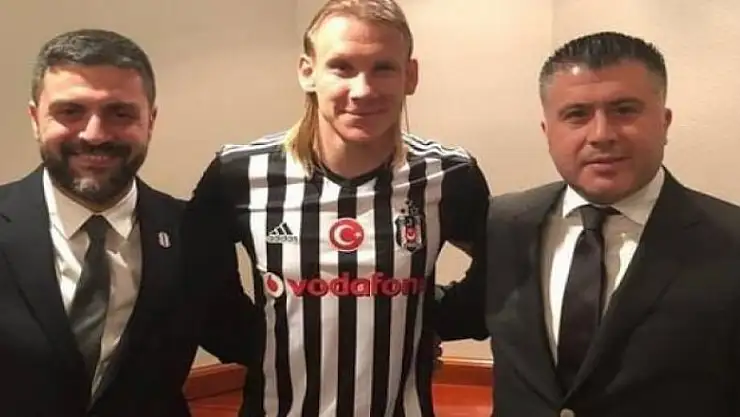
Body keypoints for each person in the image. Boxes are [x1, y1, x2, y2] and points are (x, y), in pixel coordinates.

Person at [180, 0, 489, 416]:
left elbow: (499, 276)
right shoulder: (239, 173)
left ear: (410, 76)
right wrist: (263, 342)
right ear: (307, 72)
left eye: (383, 68)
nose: (363, 90)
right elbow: (200, 289)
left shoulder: (449, 175)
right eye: (341, 67)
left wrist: (424, 318)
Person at [436, 31, 740, 416]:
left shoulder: (729, 242)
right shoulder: (507, 222)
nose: (601, 135)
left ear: (664, 122)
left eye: (624, 110)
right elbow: (461, 311)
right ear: (547, 132)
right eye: (577, 115)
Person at [0, 28, 256, 417]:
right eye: (70, 111)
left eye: (119, 113)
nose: (94, 135)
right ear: (36, 119)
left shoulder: (194, 232)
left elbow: (249, 341)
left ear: (150, 121)